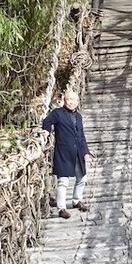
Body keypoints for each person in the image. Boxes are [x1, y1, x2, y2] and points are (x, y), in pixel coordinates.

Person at [41, 90, 92, 218]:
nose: (71, 102)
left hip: (77, 152)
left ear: (77, 102)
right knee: (63, 182)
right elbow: (47, 122)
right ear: (64, 100)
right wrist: (46, 132)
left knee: (82, 178)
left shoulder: (78, 116)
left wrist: (86, 152)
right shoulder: (57, 113)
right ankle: (61, 208)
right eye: (69, 100)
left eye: (73, 100)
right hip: (63, 152)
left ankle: (76, 200)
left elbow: (81, 136)